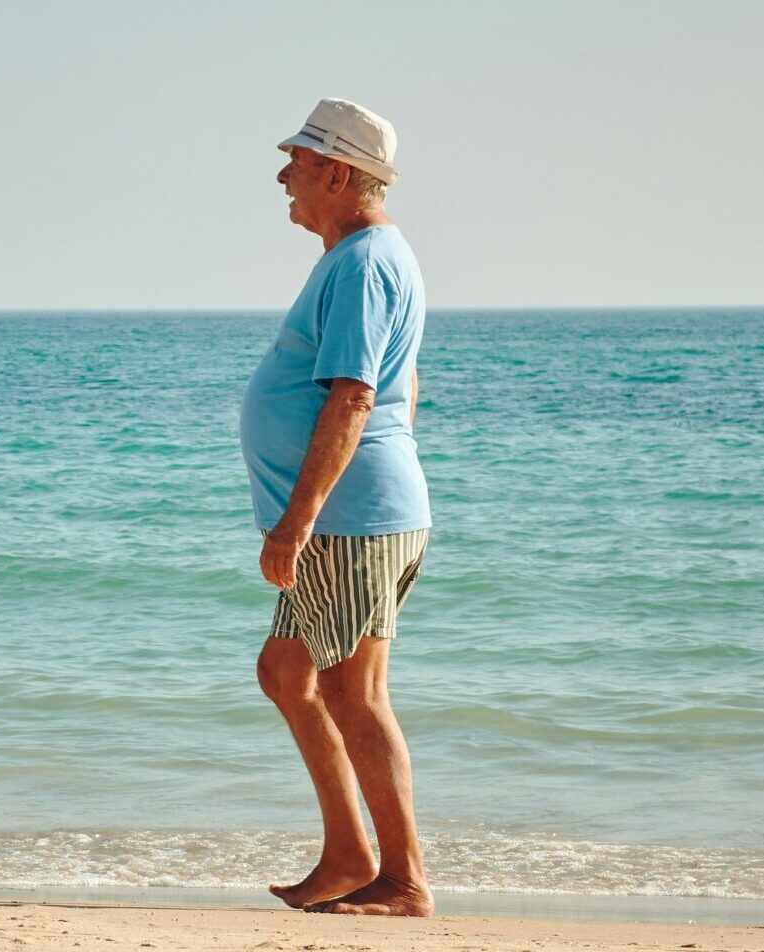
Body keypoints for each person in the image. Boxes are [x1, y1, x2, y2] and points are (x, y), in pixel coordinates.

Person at [240, 99, 434, 917]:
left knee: (354, 694)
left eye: (298, 158)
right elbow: (405, 386)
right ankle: (350, 855)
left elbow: (355, 396)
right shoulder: (359, 257)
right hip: (354, 511)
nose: (284, 172)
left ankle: (403, 879)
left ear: (339, 172)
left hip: (348, 521)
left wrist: (300, 516)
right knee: (288, 672)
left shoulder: (362, 262)